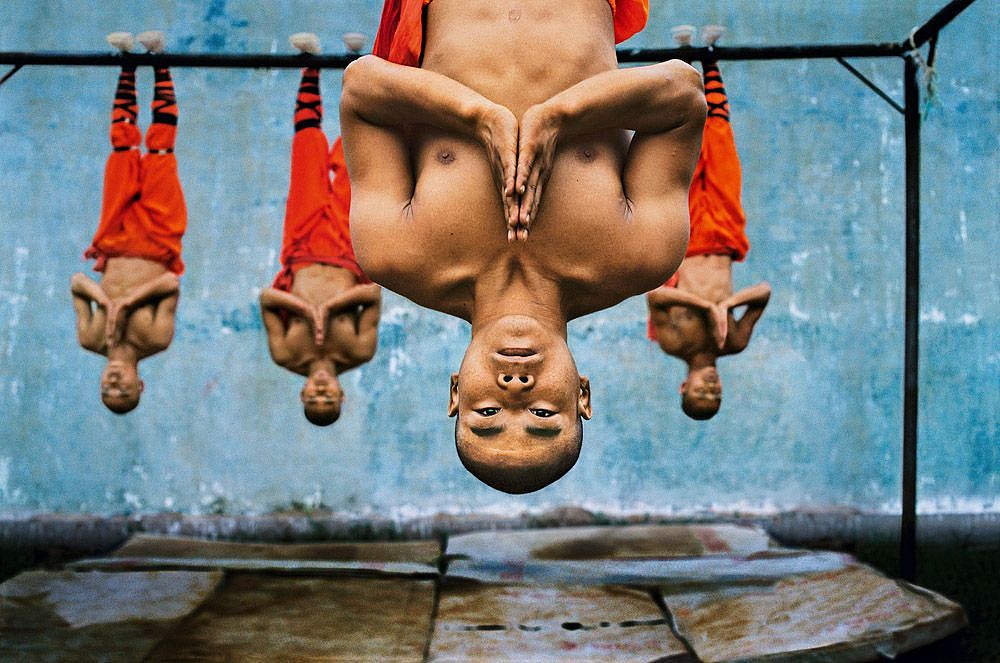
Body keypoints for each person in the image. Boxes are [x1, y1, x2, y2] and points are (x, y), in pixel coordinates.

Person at [340, 0, 705, 492]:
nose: (515, 390)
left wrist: (476, 117)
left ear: (455, 392)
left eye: (486, 413)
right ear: (582, 396)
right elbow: (683, 94)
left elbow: (361, 88)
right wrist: (560, 116)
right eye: (543, 413)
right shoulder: (641, 255)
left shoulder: (394, 253)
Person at [646, 26, 771, 421]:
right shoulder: (733, 341)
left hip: (683, 234)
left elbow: (655, 298)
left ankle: (683, 59)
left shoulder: (672, 343)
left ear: (685, 386)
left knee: (682, 151)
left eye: (702, 392)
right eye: (716, 395)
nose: (712, 387)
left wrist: (704, 305)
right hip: (724, 235)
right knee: (719, 144)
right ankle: (710, 57)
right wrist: (727, 307)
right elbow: (764, 292)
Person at [258, 34, 381, 427]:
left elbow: (265, 298)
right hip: (348, 249)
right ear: (341, 394)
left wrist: (306, 310)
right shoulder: (359, 351)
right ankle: (354, 63)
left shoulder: (286, 354)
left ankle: (309, 68)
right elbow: (374, 294)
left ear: (304, 393)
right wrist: (330, 309)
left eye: (315, 398)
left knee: (307, 158)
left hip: (302, 247)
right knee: (352, 161)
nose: (322, 391)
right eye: (330, 398)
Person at [71, 31, 185, 414]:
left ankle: (127, 65)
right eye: (125, 392)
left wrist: (105, 301)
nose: (115, 385)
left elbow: (78, 283)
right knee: (159, 150)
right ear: (140, 384)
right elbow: (170, 283)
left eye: (108, 392)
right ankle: (161, 61)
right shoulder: (156, 340)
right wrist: (127, 305)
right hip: (158, 238)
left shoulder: (90, 338)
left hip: (115, 238)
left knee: (122, 149)